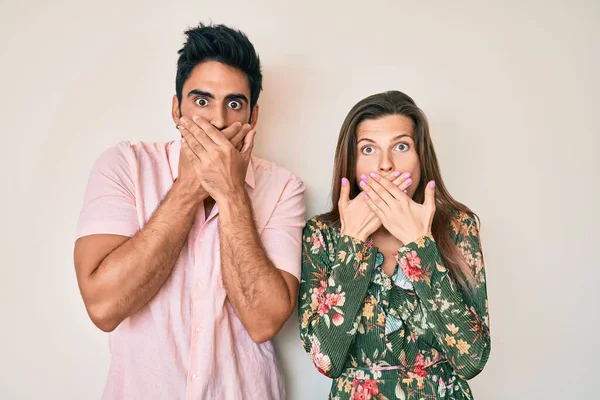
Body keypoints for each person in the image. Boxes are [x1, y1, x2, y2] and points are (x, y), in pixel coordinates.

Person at [74, 23, 305, 400]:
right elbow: (103, 306)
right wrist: (190, 188)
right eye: (201, 101)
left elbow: (264, 321)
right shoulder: (124, 166)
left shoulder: (283, 188)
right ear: (175, 108)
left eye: (234, 103)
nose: (217, 120)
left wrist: (231, 193)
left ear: (253, 117)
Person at [298, 90, 490, 399]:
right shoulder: (322, 234)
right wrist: (353, 244)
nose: (386, 164)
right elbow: (326, 360)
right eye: (369, 149)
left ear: (420, 157)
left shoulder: (458, 226)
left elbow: (472, 360)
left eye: (401, 146)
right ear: (352, 160)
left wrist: (419, 244)